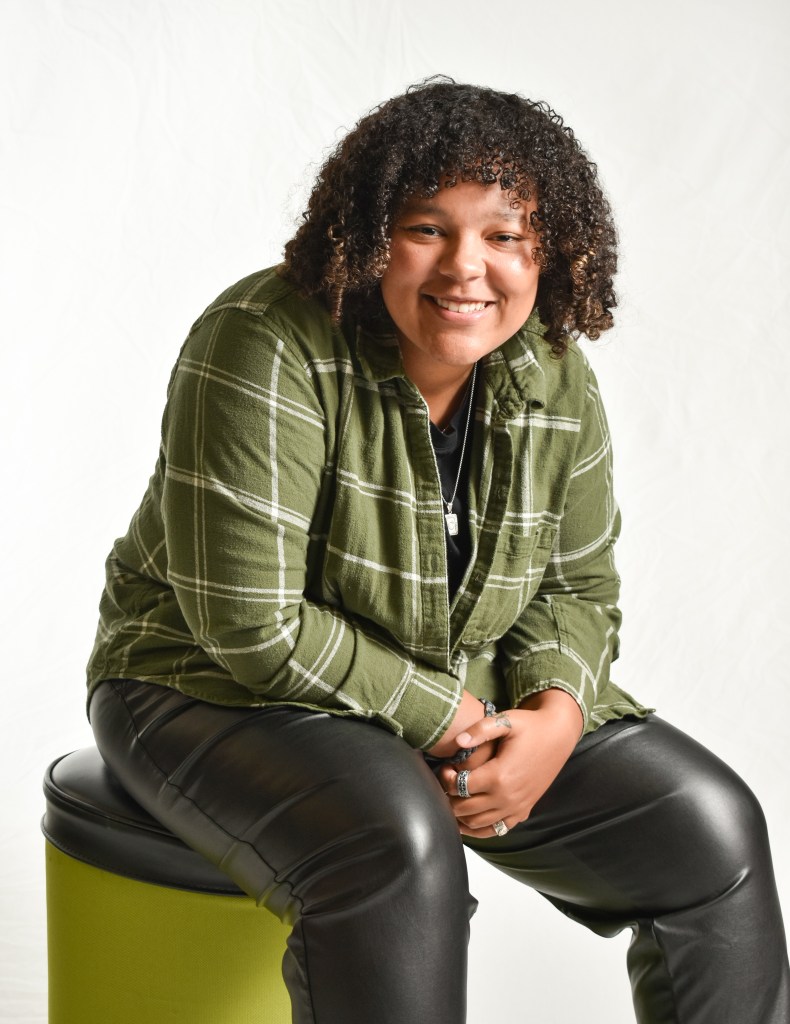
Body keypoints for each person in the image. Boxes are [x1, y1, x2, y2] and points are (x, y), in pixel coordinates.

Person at [86, 78, 789, 1023]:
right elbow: (249, 625)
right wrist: (447, 718)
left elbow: (577, 585)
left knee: (710, 830)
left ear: (550, 251)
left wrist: (555, 721)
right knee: (398, 845)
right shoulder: (263, 342)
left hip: (457, 690)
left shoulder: (552, 371)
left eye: (503, 235)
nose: (467, 266)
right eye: (427, 229)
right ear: (371, 235)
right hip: (201, 689)